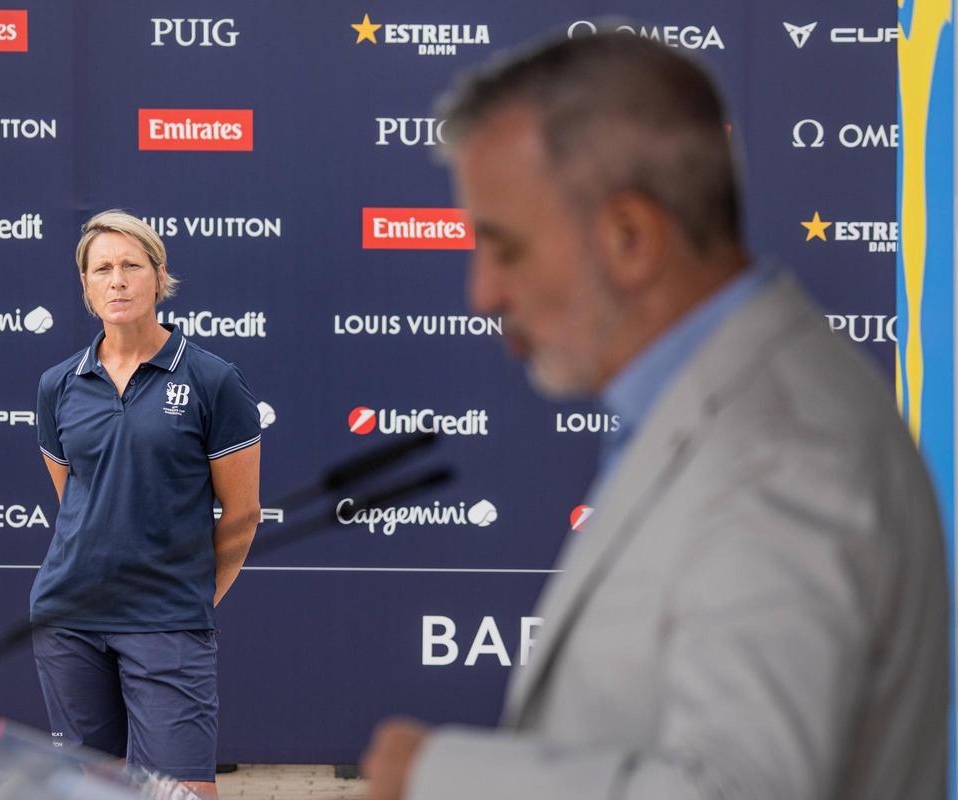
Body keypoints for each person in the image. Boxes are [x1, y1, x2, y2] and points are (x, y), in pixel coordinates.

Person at [361, 30, 948, 800]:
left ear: (630, 239)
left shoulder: (784, 452)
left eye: (504, 248)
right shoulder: (721, 408)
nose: (484, 294)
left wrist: (444, 776)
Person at [30, 210, 262, 800]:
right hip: (69, 617)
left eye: (132, 266)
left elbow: (241, 513)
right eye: (102, 268)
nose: (118, 280)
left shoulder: (213, 379)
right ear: (84, 285)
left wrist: (189, 597)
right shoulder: (59, 385)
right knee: (90, 789)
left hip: (168, 619)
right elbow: (76, 499)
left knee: (182, 793)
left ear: (159, 277)